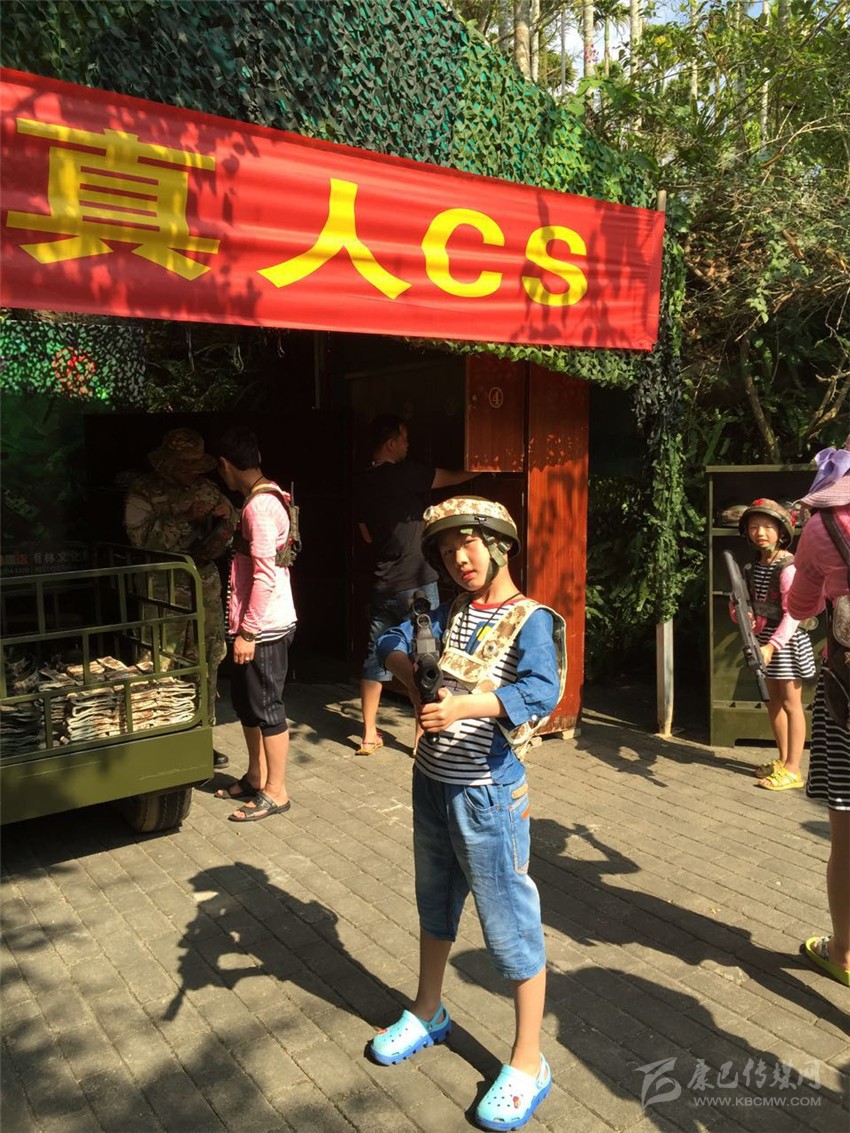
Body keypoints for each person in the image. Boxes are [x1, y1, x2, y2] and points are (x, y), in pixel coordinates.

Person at [366, 496, 566, 1131]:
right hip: (431, 782)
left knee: (509, 923)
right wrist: (406, 671)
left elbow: (543, 690)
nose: (460, 559)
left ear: (500, 546)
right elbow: (389, 638)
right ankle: (429, 1010)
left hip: (487, 794)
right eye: (449, 551)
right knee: (435, 902)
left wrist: (463, 706)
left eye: (470, 544)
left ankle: (529, 1060)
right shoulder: (447, 611)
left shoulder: (530, 619)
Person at [354, 414, 476, 756]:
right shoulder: (403, 474)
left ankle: (368, 734)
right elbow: (448, 478)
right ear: (391, 443)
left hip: (383, 583)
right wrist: (479, 470)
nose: (408, 446)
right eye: (405, 440)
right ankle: (422, 738)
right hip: (417, 583)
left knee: (374, 657)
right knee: (425, 657)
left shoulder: (363, 481)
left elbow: (366, 535)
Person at [124, 428, 237, 770]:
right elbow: (140, 538)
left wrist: (226, 516)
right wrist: (184, 517)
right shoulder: (143, 491)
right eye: (185, 466)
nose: (192, 473)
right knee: (158, 662)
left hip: (204, 586)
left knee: (206, 660)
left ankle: (200, 738)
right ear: (168, 464)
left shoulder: (206, 487)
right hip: (163, 588)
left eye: (196, 466)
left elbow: (232, 523)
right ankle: (156, 743)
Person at [786, 439, 850, 987]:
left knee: (846, 835)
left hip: (846, 695)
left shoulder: (823, 525)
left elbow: (800, 606)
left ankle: (843, 952)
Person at [213, 426, 298, 822]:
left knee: (266, 707)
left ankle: (276, 791)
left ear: (225, 465)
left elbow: (264, 575)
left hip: (263, 628)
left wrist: (248, 632)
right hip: (252, 624)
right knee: (246, 704)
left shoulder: (259, 508)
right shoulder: (266, 495)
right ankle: (255, 776)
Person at [732, 499, 816, 790]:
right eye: (754, 527)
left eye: (767, 527)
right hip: (763, 642)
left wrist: (771, 646)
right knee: (773, 702)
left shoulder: (788, 567)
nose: (760, 533)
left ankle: (794, 768)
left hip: (786, 643)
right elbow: (744, 606)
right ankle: (782, 760)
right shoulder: (752, 568)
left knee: (792, 704)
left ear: (781, 532)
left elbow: (794, 613)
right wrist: (742, 615)